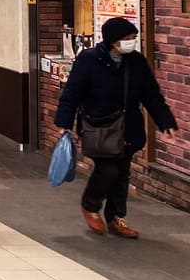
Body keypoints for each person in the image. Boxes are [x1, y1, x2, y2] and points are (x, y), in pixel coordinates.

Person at [55, 17, 178, 238]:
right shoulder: (89, 60)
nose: (131, 42)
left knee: (122, 173)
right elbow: (71, 94)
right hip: (99, 126)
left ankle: (116, 217)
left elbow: (151, 94)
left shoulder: (136, 62)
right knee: (108, 169)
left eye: (133, 38)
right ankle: (90, 205)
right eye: (128, 39)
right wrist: (64, 123)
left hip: (128, 127)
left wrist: (165, 121)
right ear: (113, 41)